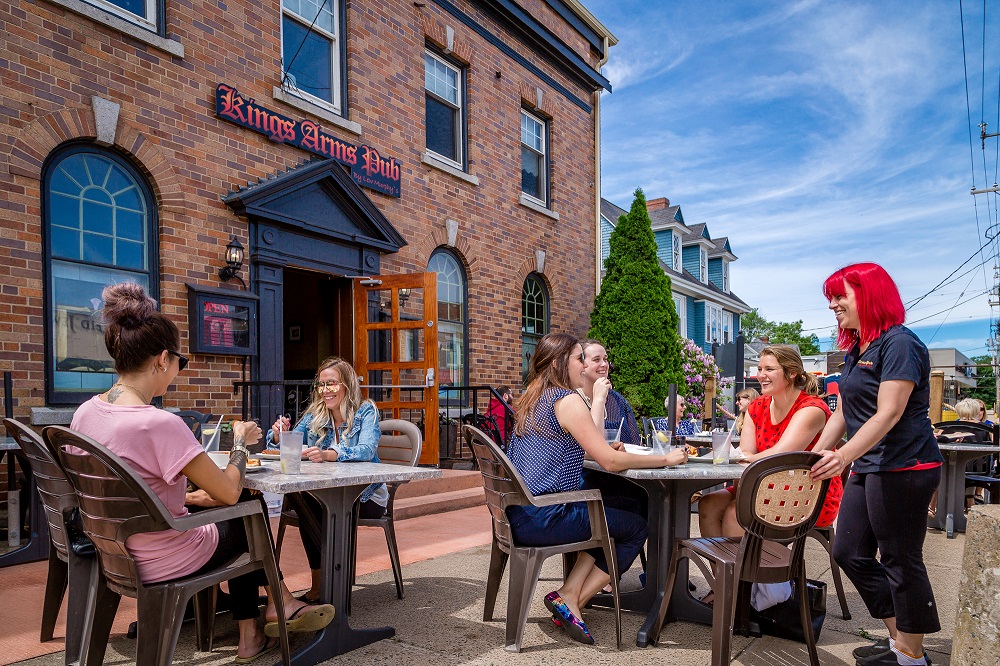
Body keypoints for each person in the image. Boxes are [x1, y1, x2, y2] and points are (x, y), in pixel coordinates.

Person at [71, 283, 333, 663]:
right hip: (162, 556)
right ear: (162, 359)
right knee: (246, 505)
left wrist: (190, 496)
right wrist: (241, 442)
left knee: (233, 508)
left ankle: (263, 620)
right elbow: (227, 491)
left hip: (110, 548)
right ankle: (271, 613)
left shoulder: (85, 413)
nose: (178, 371)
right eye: (181, 362)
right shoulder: (158, 423)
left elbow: (135, 490)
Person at [505, 333, 687, 644]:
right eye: (579, 358)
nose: (583, 365)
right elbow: (610, 462)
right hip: (546, 516)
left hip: (520, 512)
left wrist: (603, 448)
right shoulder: (567, 399)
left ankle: (571, 594)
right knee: (636, 528)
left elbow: (582, 449)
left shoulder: (533, 398)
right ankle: (571, 598)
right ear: (561, 363)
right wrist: (666, 459)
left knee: (625, 505)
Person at [810, 263, 942, 666]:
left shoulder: (900, 344)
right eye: (830, 297)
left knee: (901, 559)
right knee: (849, 552)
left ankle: (912, 655)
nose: (833, 304)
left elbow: (888, 413)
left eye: (840, 295)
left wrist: (843, 456)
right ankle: (897, 637)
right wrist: (815, 452)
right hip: (869, 466)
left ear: (869, 295)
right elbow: (844, 412)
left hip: (905, 466)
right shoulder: (857, 349)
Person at [267, 356, 387, 603]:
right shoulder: (315, 415)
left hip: (364, 494)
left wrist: (329, 454)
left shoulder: (366, 412)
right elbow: (291, 443)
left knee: (312, 505)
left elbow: (366, 450)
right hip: (325, 492)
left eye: (331, 384)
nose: (325, 391)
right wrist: (280, 436)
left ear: (347, 385)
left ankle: (327, 585)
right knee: (302, 499)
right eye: (321, 385)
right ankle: (324, 585)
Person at [698, 346, 842, 541]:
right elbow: (747, 452)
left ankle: (748, 571)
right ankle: (724, 572)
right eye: (759, 369)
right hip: (760, 484)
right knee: (708, 503)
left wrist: (744, 459)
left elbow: (781, 454)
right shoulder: (757, 406)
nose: (761, 375)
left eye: (769, 369)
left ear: (792, 373)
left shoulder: (811, 408)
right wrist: (744, 461)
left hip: (808, 492)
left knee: (735, 513)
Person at [577, 339, 641, 444]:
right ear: (582, 365)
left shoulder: (618, 401)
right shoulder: (572, 399)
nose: (604, 364)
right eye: (596, 360)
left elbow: (635, 442)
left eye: (605, 359)